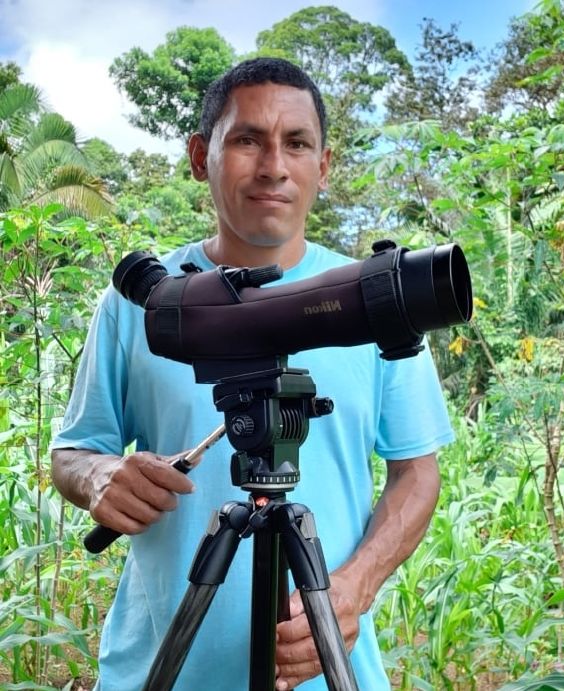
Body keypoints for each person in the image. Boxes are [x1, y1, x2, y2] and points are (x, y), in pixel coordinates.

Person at [51, 57, 453, 691]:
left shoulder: (378, 300)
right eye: (246, 140)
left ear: (323, 165)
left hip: (326, 673)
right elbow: (73, 451)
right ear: (198, 155)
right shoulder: (141, 308)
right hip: (156, 670)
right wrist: (99, 474)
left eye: (297, 143)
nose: (274, 166)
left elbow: (416, 470)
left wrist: (352, 590)